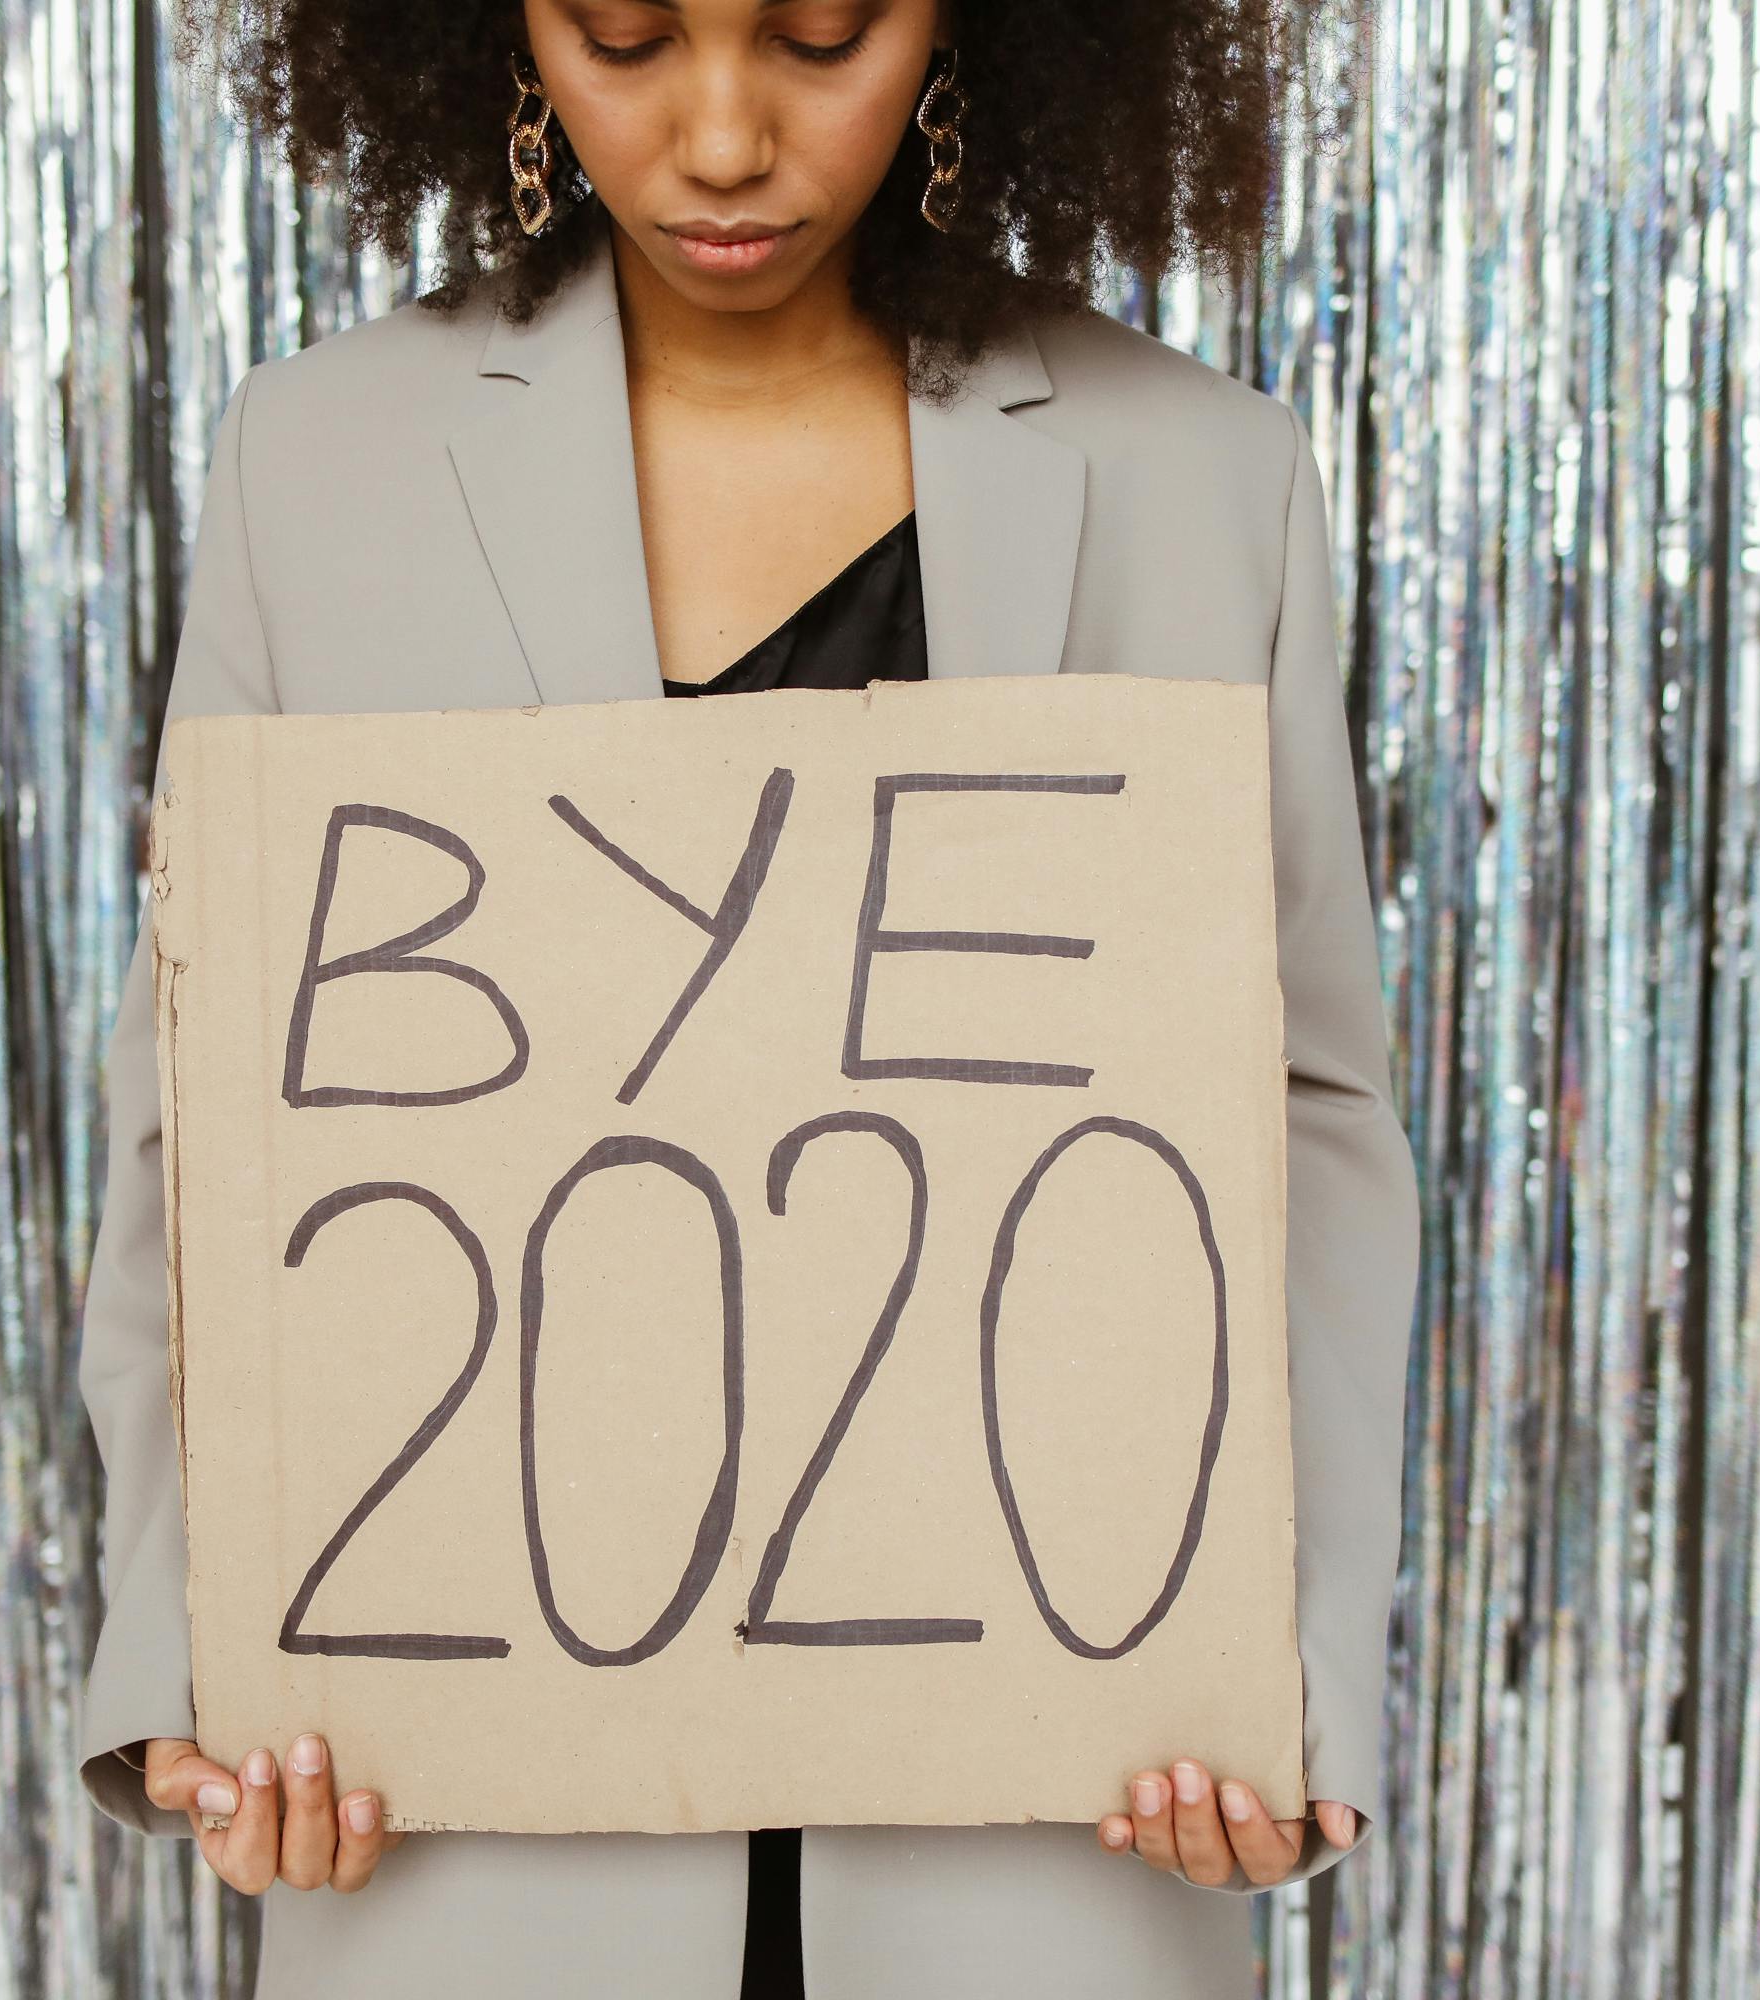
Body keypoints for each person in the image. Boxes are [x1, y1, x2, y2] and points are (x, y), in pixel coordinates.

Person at [73, 2, 1423, 1994]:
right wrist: (204, 1656)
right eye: (626, 35)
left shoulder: (1202, 473)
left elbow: (1303, 1108)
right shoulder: (318, 456)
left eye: (818, 36)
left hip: (1055, 1818)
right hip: (465, 1829)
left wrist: (1287, 1671)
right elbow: (213, 1113)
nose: (721, 139)